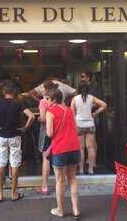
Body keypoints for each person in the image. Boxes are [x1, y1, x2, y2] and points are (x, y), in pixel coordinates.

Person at [0, 82, 34, 202]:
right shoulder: (19, 103)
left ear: (4, 92)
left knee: (1, 164)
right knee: (15, 164)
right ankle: (14, 193)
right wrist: (25, 128)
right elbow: (31, 116)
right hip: (15, 136)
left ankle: (0, 194)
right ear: (14, 92)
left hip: (1, 136)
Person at [46, 88, 81, 219]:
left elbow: (49, 133)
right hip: (74, 147)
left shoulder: (51, 111)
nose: (46, 101)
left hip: (60, 148)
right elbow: (74, 128)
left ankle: (60, 210)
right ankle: (76, 210)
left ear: (54, 99)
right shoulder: (70, 110)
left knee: (60, 180)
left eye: (48, 98)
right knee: (72, 179)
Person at [71, 81, 107, 175]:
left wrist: (75, 124)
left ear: (78, 88)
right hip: (90, 124)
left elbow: (72, 113)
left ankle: (81, 170)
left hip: (79, 124)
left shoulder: (75, 99)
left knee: (81, 148)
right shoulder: (91, 98)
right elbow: (104, 105)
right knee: (90, 148)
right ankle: (91, 169)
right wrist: (95, 113)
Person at [36, 80, 58, 195]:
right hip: (57, 131)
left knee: (46, 158)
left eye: (42, 88)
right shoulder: (57, 100)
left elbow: (44, 118)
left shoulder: (43, 101)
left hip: (46, 131)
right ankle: (59, 184)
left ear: (46, 89)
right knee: (56, 157)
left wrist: (39, 119)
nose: (41, 89)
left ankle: (44, 186)